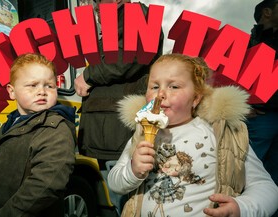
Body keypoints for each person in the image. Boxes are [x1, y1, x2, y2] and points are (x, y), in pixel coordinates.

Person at [108, 53, 278, 217]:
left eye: (173, 86)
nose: (160, 94)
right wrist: (132, 170)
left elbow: (266, 187)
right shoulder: (141, 134)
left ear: (196, 98)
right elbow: (115, 183)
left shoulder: (220, 135)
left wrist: (242, 208)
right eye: (154, 86)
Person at [74, 0, 163, 213]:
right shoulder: (114, 21)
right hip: (107, 131)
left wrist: (88, 75)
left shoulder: (133, 13)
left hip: (118, 132)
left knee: (129, 201)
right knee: (121, 201)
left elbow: (130, 55)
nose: (95, 6)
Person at [0, 53, 76, 217]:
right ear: (12, 91)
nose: (42, 91)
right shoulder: (11, 123)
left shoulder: (55, 128)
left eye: (50, 86)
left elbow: (46, 185)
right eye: (32, 85)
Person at [246, 0, 278, 188]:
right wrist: (242, 107)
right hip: (260, 118)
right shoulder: (247, 44)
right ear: (267, 12)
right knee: (251, 173)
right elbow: (224, 80)